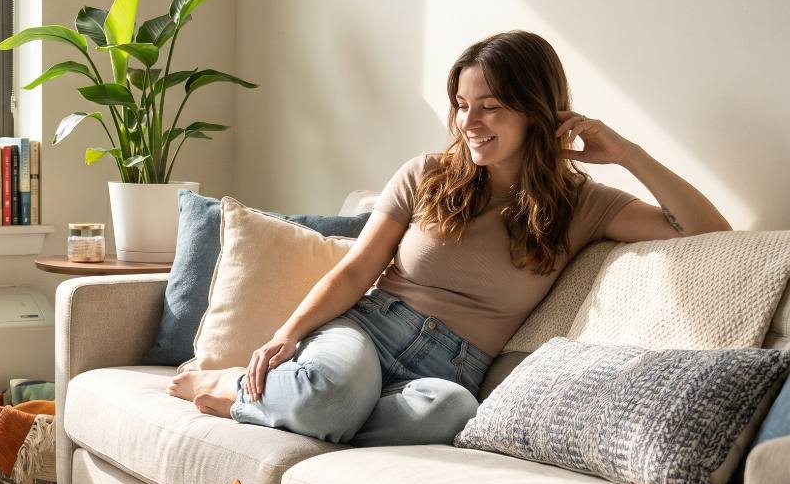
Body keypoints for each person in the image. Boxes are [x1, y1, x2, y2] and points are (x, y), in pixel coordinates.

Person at [168, 30, 731, 446]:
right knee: (335, 392)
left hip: (452, 370)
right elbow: (356, 271)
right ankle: (235, 388)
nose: (469, 122)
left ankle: (310, 406)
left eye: (490, 107)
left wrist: (628, 155)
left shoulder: (582, 205)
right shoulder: (427, 174)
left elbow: (709, 234)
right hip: (367, 332)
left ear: (537, 112)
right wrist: (287, 335)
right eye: (462, 106)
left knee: (454, 412)